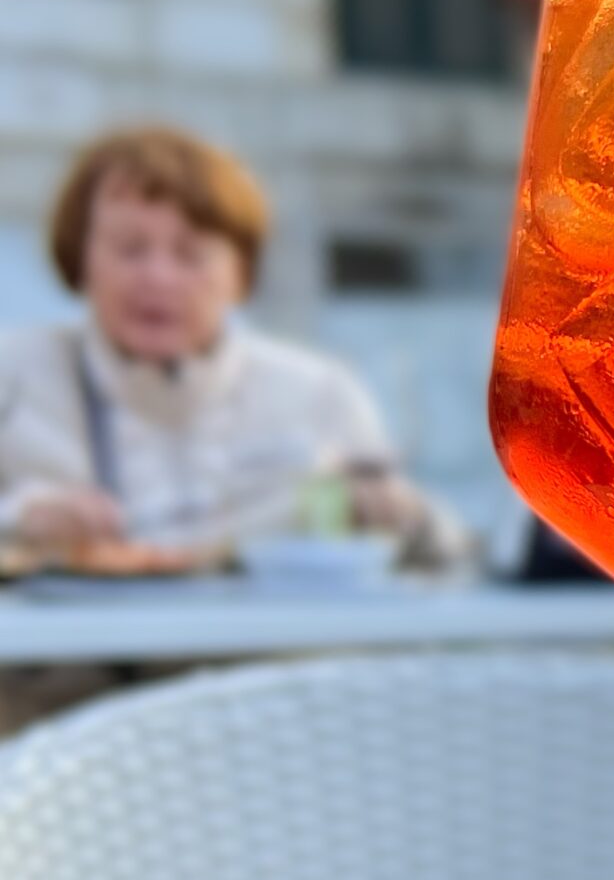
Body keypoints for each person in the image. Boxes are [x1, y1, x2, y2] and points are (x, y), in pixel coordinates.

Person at [0, 127, 460, 568]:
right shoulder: (15, 374)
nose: (158, 278)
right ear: (78, 258)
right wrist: (20, 520)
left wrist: (402, 519)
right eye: (130, 249)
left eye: (190, 254)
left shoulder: (319, 390)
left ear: (241, 274)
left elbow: (444, 552)